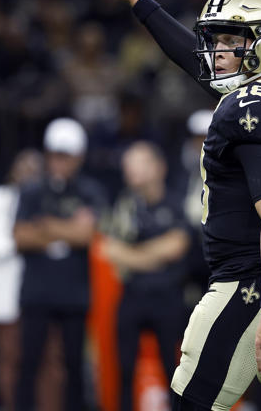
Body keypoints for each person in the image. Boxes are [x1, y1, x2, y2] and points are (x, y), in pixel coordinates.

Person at [96, 0, 261, 410]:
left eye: (231, 41)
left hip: (251, 286)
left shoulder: (250, 110)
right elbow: (195, 59)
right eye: (217, 39)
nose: (218, 52)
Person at [13, 118, 107, 411]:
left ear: (79, 156)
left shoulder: (90, 189)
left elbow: (88, 235)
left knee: (73, 364)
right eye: (54, 154)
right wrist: (68, 229)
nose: (59, 161)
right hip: (37, 291)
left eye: (65, 155)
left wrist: (46, 226)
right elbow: (19, 237)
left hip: (74, 293)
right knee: (27, 362)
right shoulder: (31, 190)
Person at [0, 149, 67, 411]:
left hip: (46, 295)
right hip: (7, 297)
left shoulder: (50, 198)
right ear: (13, 170)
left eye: (35, 168)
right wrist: (30, 240)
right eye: (23, 166)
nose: (29, 172)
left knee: (50, 361)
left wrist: (36, 238)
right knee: (11, 359)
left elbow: (63, 246)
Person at [101, 141, 190, 411]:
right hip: (132, 294)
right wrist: (153, 255)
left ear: (157, 167)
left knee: (174, 369)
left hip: (169, 295)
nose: (130, 171)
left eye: (137, 164)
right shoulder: (123, 205)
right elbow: (108, 249)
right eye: (128, 165)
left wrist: (132, 255)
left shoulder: (175, 202)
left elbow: (177, 246)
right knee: (124, 368)